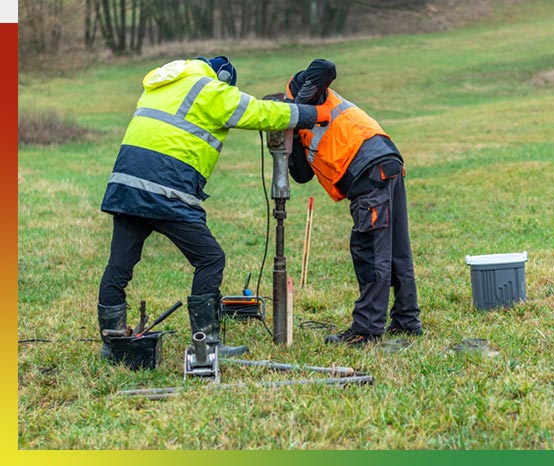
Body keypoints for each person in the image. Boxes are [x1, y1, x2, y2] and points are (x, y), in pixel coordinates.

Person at [97, 55, 329, 360]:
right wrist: (308, 114)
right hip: (167, 190)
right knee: (210, 258)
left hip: (127, 186)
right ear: (222, 76)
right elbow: (258, 111)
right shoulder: (210, 89)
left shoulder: (161, 84)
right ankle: (206, 344)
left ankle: (112, 344)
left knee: (120, 264)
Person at [286, 58, 422, 346]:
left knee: (369, 250)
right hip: (385, 161)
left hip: (367, 167)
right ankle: (407, 320)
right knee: (396, 248)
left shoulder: (301, 91)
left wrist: (298, 105)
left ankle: (367, 330)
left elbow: (324, 67)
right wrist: (289, 134)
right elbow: (300, 174)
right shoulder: (296, 128)